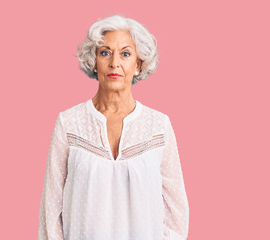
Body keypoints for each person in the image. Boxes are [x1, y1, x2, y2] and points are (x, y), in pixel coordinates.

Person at [38, 14, 189, 240]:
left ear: (138, 65)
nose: (114, 63)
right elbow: (51, 207)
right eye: (105, 52)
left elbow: (176, 210)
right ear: (94, 62)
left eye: (125, 54)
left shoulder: (158, 126)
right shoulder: (69, 123)